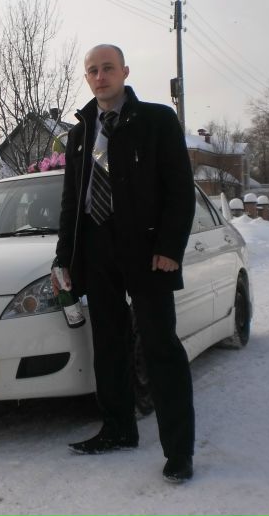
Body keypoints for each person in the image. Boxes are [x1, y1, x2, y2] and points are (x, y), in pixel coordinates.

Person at [52, 45, 197, 483]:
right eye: (92, 70)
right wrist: (66, 258)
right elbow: (71, 202)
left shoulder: (156, 121)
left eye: (107, 68)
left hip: (149, 252)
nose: (100, 76)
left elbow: (179, 190)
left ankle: (179, 451)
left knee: (160, 347)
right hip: (97, 251)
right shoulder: (79, 133)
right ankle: (118, 429)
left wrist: (170, 247)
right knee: (109, 345)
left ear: (125, 71)